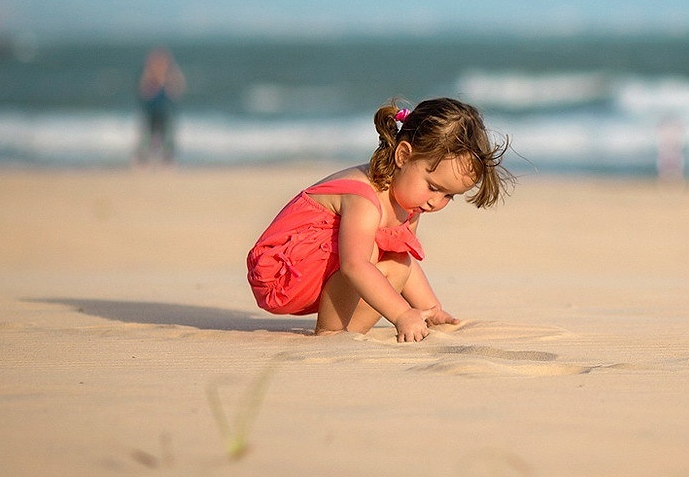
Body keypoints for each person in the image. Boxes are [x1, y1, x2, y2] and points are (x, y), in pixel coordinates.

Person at [247, 98, 510, 340]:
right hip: (283, 272)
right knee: (367, 252)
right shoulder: (363, 198)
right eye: (433, 186)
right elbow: (354, 265)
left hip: (323, 270)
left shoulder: (411, 203)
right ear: (403, 156)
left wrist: (431, 310)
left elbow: (405, 263)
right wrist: (401, 314)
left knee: (397, 261)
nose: (435, 201)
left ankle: (350, 334)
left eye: (449, 195)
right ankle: (329, 334)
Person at [136, 46, 186, 164]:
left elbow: (178, 88)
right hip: (151, 110)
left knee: (168, 135)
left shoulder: (170, 75)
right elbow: (143, 91)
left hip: (165, 110)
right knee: (147, 136)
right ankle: (143, 159)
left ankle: (167, 160)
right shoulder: (148, 75)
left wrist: (169, 75)